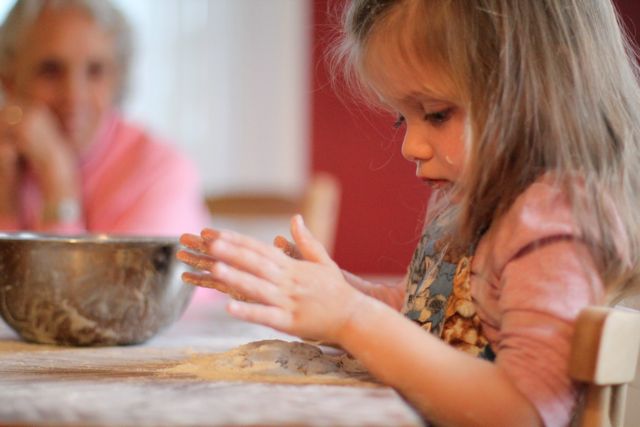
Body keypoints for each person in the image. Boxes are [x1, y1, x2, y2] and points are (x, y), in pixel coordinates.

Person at [177, 0, 640, 425]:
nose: (410, 146)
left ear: (544, 87)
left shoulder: (553, 224)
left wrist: (351, 316)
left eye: (436, 114)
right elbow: (426, 321)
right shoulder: (490, 206)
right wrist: (337, 294)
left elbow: (520, 411)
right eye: (404, 118)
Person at [0, 0, 210, 236]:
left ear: (117, 80)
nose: (74, 95)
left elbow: (103, 276)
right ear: (8, 78)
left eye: (96, 70)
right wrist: (6, 205)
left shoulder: (162, 172)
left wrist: (58, 180)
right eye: (50, 70)